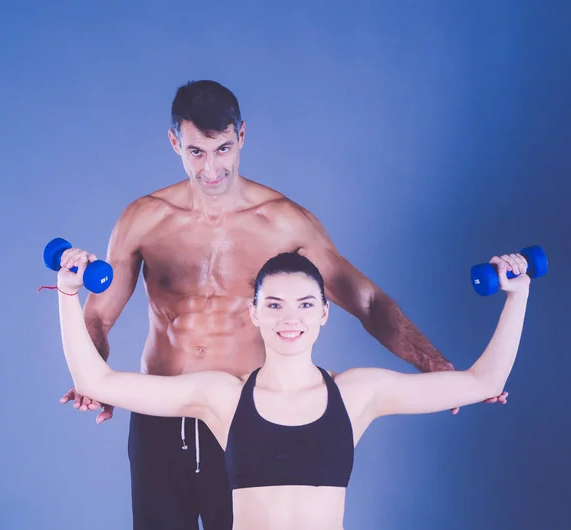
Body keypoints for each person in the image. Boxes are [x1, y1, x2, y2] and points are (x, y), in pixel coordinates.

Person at [59, 80, 507, 529]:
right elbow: (99, 314)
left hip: (238, 418)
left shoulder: (285, 222)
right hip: (160, 412)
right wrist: (92, 376)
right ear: (175, 141)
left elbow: (368, 302)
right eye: (197, 151)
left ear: (242, 136)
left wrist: (433, 363)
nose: (212, 167)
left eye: (223, 148)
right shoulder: (143, 219)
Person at [54, 247, 530, 530]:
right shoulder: (222, 397)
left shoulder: (357, 394)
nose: (290, 318)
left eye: (305, 304)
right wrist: (68, 293)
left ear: (323, 312)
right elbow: (95, 381)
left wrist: (518, 295)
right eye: (275, 305)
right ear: (255, 312)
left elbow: (483, 381)